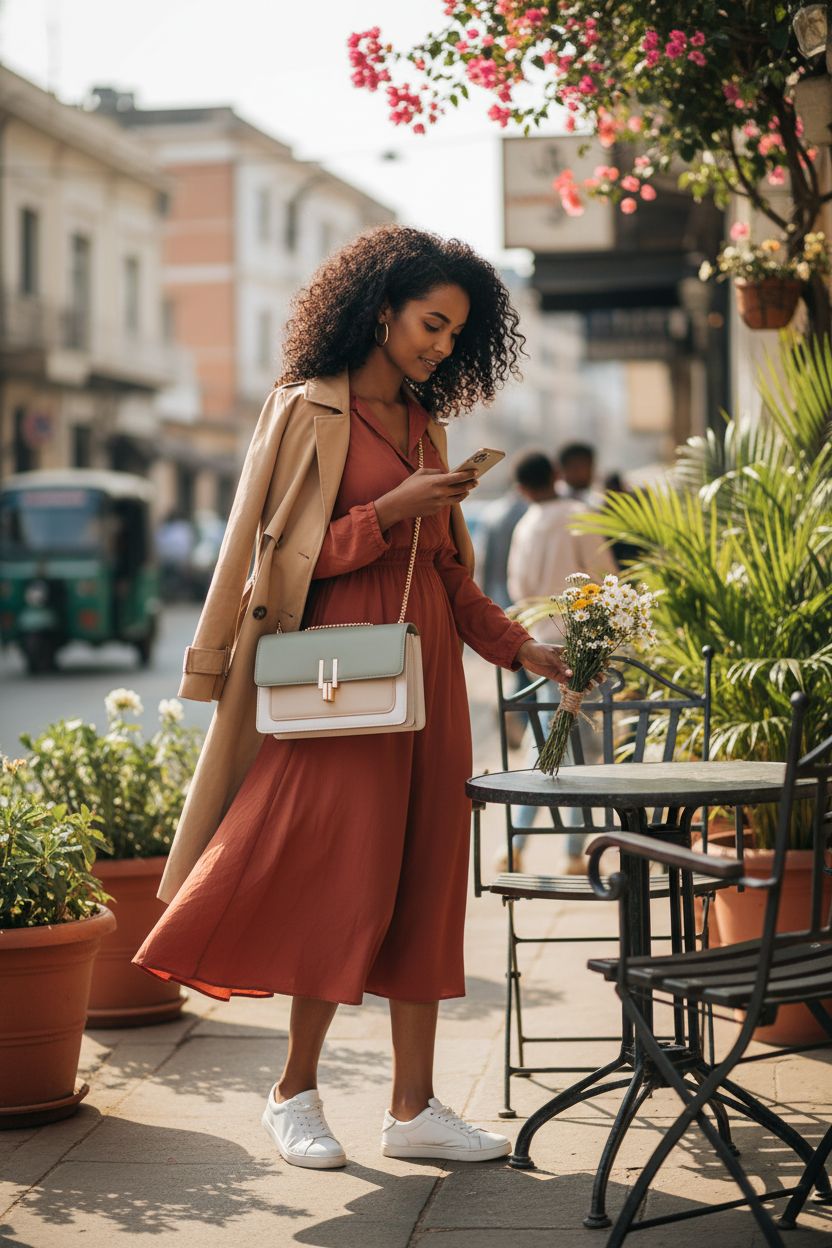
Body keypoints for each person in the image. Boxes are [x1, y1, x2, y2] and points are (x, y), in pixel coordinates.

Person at [132, 226, 574, 1171]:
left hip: (431, 682)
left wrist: (523, 648)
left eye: (455, 333)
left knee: (427, 883)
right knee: (327, 875)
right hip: (337, 679)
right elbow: (278, 562)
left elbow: (450, 576)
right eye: (431, 324)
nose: (442, 346)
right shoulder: (306, 409)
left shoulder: (426, 427)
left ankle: (413, 1108)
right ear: (381, 310)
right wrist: (385, 514)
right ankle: (292, 1091)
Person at [505, 449, 617, 874]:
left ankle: (516, 842)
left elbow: (518, 589)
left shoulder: (525, 525)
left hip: (538, 650)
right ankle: (573, 852)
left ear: (522, 489)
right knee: (584, 751)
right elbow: (606, 577)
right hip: (583, 648)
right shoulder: (579, 514)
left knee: (545, 743)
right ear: (556, 474)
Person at [556, 441, 606, 510]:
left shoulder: (597, 501)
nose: (584, 473)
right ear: (563, 469)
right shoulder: (555, 497)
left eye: (588, 467)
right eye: (576, 468)